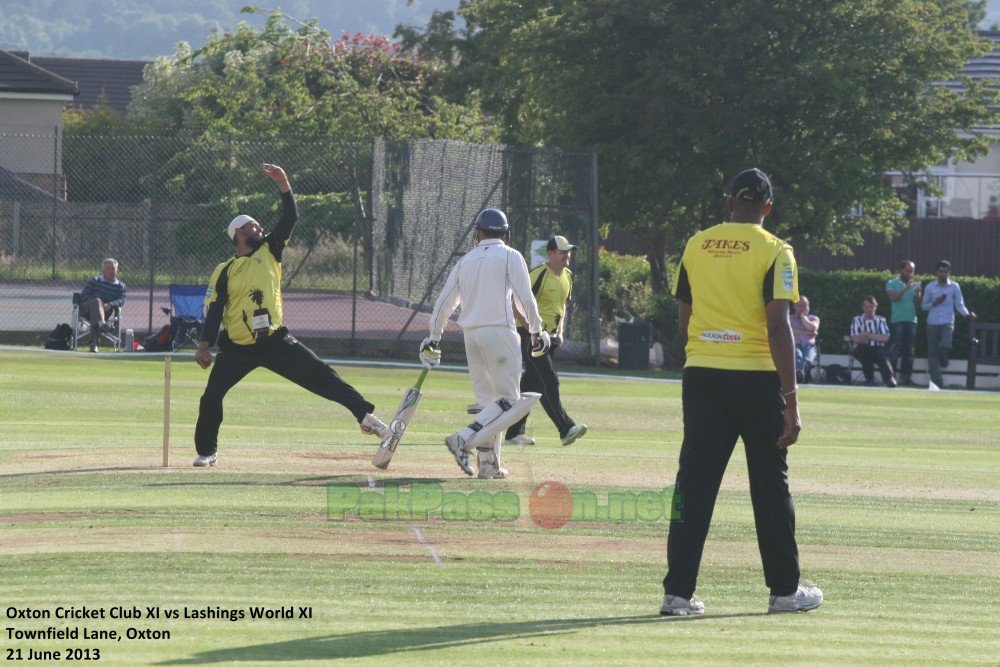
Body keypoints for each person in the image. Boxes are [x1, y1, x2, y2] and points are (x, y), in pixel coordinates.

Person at [660, 168, 822, 616]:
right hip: (755, 378)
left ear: (729, 202)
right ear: (768, 208)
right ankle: (784, 592)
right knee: (770, 484)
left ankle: (677, 594)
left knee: (693, 484)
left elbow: (684, 321)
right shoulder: (777, 251)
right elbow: (777, 327)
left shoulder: (696, 244)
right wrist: (791, 401)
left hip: (702, 375)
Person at [191, 163, 391, 467]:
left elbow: (291, 217)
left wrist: (283, 182)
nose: (260, 228)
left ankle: (366, 417)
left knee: (323, 375)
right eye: (253, 226)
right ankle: (207, 451)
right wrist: (204, 345)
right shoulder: (224, 270)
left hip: (273, 340)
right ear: (239, 233)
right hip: (237, 347)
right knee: (211, 398)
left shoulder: (270, 250)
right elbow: (216, 309)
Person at [420, 207, 549, 480]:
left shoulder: (465, 261)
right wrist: (537, 330)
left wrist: (434, 337)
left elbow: (444, 303)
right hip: (499, 332)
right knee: (510, 401)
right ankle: (463, 438)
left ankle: (489, 466)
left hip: (471, 336)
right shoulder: (510, 256)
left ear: (478, 233)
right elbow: (525, 299)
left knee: (487, 402)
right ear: (506, 233)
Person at [504, 235, 588, 447]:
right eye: (562, 251)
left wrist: (559, 331)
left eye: (568, 251)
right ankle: (565, 428)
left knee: (530, 387)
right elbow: (515, 302)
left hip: (549, 338)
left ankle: (513, 433)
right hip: (530, 336)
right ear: (550, 254)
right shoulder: (538, 274)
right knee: (548, 381)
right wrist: (532, 329)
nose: (566, 255)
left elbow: (563, 306)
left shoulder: (567, 275)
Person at [921, 260, 975, 388]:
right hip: (932, 322)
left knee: (946, 344)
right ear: (937, 272)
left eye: (945, 272)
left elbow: (959, 304)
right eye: (940, 271)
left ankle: (943, 357)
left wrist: (967, 314)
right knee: (932, 353)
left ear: (949, 273)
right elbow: (924, 306)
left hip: (947, 322)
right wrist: (935, 302)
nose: (943, 274)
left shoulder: (954, 287)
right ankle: (938, 382)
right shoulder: (930, 287)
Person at [78, 257, 126, 353]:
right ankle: (102, 324)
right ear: (103, 270)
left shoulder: (121, 286)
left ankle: (93, 345)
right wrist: (96, 304)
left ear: (117, 270)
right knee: (96, 301)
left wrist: (110, 304)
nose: (111, 271)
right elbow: (84, 295)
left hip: (105, 312)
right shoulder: (95, 281)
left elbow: (121, 300)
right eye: (108, 269)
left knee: (96, 317)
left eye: (113, 269)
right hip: (86, 309)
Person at [885, 260, 922, 386]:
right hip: (897, 320)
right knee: (895, 349)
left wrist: (918, 295)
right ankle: (891, 377)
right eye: (907, 271)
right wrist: (907, 288)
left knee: (908, 351)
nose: (910, 274)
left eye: (912, 271)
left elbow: (918, 305)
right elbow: (893, 298)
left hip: (911, 320)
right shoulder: (892, 283)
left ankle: (906, 378)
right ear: (901, 270)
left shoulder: (915, 284)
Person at [849, 295, 896, 388]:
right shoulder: (857, 320)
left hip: (879, 349)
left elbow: (885, 338)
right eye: (867, 306)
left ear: (875, 307)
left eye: (872, 306)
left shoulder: (881, 320)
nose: (869, 309)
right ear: (863, 308)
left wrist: (866, 334)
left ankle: (889, 380)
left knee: (881, 354)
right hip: (862, 349)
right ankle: (869, 380)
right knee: (866, 350)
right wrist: (875, 337)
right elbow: (855, 338)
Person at [789, 296, 819, 383]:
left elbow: (812, 328)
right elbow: (790, 331)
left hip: (809, 345)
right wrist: (808, 333)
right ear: (794, 307)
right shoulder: (789, 319)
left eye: (804, 306)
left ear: (808, 307)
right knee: (798, 355)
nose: (802, 308)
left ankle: (800, 374)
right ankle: (801, 374)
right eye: (799, 306)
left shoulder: (813, 318)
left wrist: (803, 317)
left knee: (808, 358)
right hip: (795, 344)